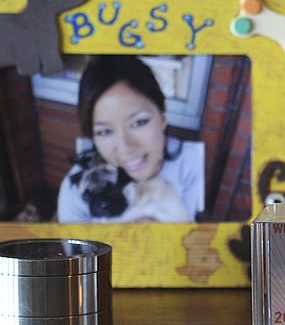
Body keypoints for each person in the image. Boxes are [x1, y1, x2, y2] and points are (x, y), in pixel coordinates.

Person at [56, 56, 204, 223]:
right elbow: (76, 248)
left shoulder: (188, 161)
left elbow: (188, 227)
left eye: (138, 122)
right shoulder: (77, 191)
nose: (125, 148)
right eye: (104, 131)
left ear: (162, 117)